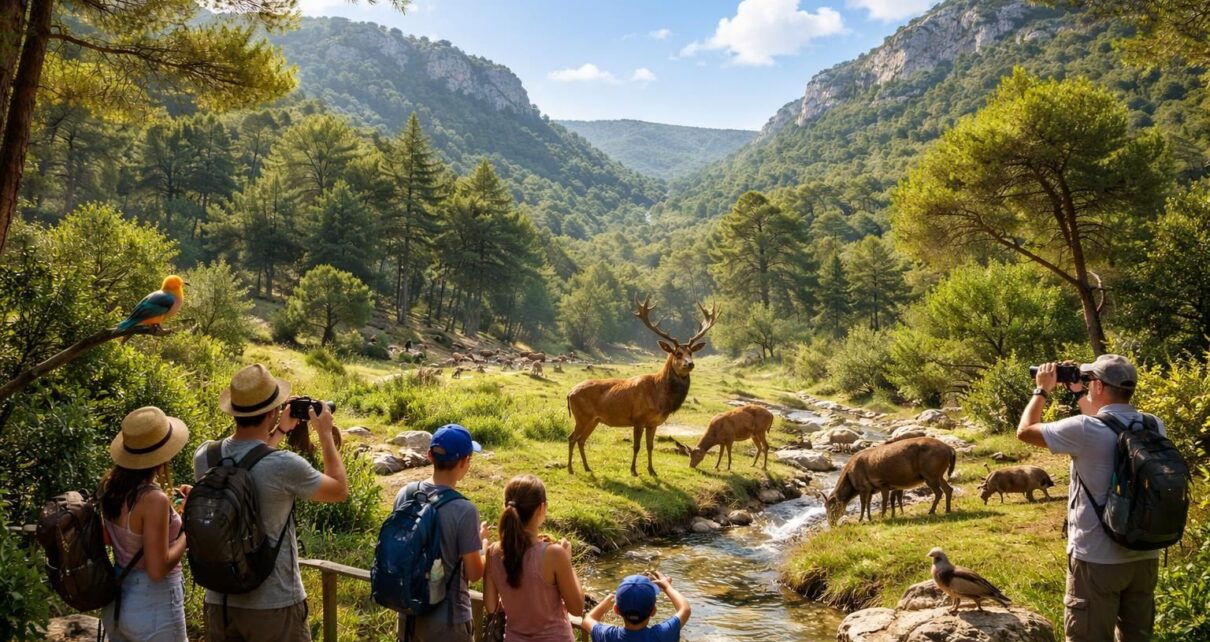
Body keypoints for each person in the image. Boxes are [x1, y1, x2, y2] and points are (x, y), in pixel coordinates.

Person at [196, 363, 349, 642]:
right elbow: (339, 490)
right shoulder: (284, 465)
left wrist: (279, 431)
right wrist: (325, 434)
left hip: (220, 601)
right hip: (274, 605)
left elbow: (249, 461)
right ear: (272, 411)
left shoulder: (205, 455)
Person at [1017, 354, 1162, 642]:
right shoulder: (1154, 424)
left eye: (1089, 380)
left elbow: (1025, 432)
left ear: (1098, 386)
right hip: (1144, 554)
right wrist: (1079, 393)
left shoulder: (1083, 429)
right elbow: (1107, 423)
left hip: (1096, 558)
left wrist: (1041, 389)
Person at [99, 406, 192, 642]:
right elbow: (157, 569)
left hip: (118, 599)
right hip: (155, 606)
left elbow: (112, 538)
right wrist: (187, 532)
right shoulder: (153, 499)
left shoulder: (109, 487)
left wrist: (172, 511)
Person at [392, 424, 490, 642]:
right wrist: (483, 545)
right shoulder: (465, 510)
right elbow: (474, 573)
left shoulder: (405, 493)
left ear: (429, 455)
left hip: (408, 613)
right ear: (465, 462)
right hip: (448, 622)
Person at [484, 475, 583, 642]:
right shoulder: (555, 554)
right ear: (541, 507)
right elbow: (577, 609)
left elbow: (491, 606)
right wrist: (568, 562)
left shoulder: (493, 552)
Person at [581, 571, 691, 642]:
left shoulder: (607, 635)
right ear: (653, 611)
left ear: (616, 609)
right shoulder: (662, 634)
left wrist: (605, 604)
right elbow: (685, 609)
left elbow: (587, 620)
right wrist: (667, 587)